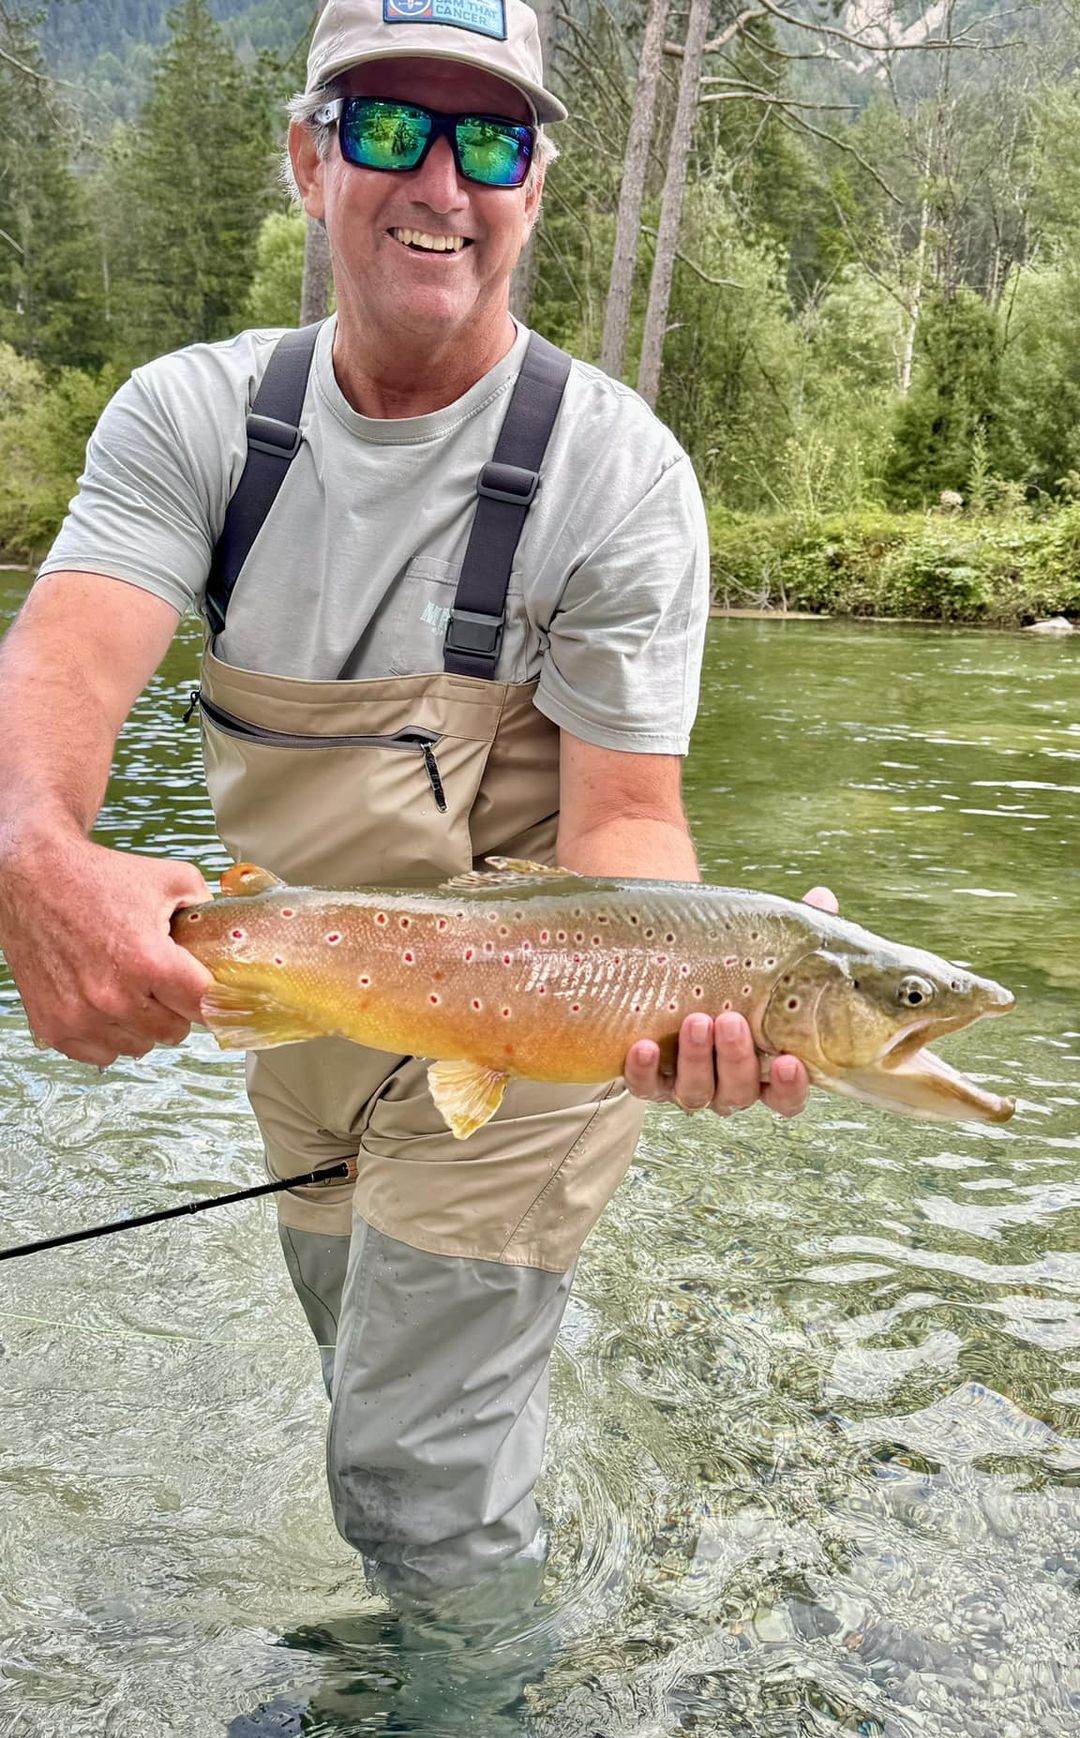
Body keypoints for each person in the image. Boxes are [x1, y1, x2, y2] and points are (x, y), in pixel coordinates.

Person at [0, 0, 831, 1597]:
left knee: (409, 1480)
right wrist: (35, 855)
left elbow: (628, 827)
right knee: (355, 1376)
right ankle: (428, 1662)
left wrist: (710, 968)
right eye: (388, 128)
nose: (439, 181)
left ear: (536, 183)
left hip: (529, 1027)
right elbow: (55, 678)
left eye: (490, 138)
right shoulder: (196, 421)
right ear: (311, 159)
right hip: (300, 997)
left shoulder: (616, 473)